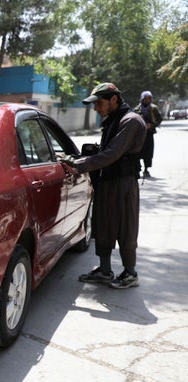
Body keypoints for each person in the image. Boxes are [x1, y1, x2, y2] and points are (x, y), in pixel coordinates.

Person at [66, 83, 146, 289]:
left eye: (99, 104)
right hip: (108, 181)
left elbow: (112, 154)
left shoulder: (131, 121)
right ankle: (104, 271)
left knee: (125, 227)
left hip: (124, 184)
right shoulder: (113, 121)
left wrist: (78, 164)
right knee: (103, 225)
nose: (96, 109)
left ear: (114, 99)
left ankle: (130, 273)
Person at [133, 90, 162, 178]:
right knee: (137, 152)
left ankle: (146, 170)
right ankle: (137, 169)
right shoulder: (137, 109)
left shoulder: (154, 108)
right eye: (145, 98)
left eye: (149, 98)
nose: (147, 100)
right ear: (142, 99)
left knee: (148, 153)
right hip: (139, 135)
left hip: (149, 134)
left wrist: (152, 125)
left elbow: (159, 119)